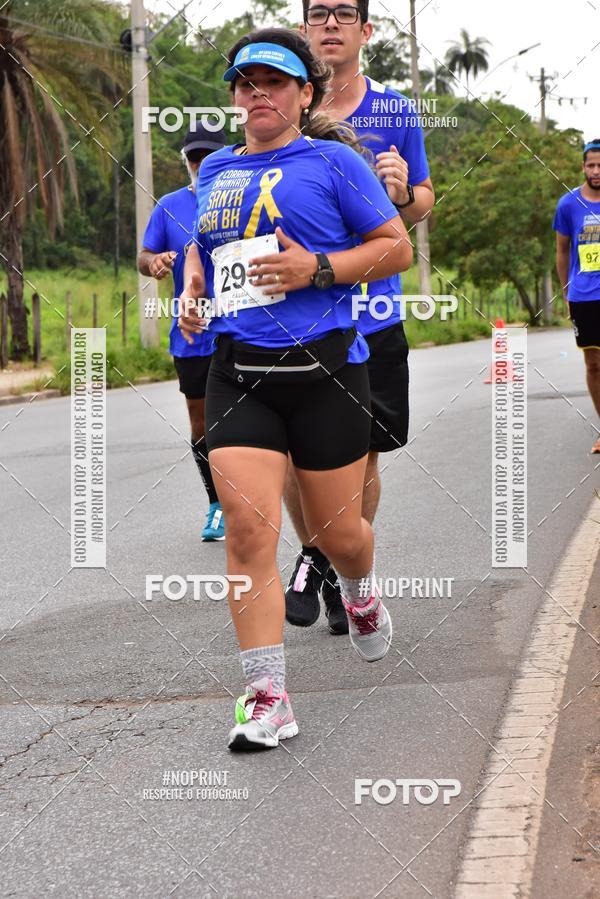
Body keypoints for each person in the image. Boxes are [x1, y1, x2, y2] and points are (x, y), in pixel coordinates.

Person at [180, 28, 413, 750]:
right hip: (239, 371)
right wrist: (194, 286)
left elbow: (393, 245)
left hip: (327, 373)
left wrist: (317, 270)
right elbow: (205, 244)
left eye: (273, 82)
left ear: (303, 94)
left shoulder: (333, 161)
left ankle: (361, 591)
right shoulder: (215, 167)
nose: (256, 93)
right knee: (249, 531)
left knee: (339, 534)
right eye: (244, 83)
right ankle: (267, 695)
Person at [284, 0, 435, 634]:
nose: (330, 23)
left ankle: (335, 566)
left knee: (362, 458)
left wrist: (403, 197)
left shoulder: (395, 111)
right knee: (295, 458)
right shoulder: (280, 106)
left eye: (345, 13)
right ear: (303, 29)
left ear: (365, 30)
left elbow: (424, 198)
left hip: (372, 317)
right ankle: (325, 560)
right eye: (318, 12)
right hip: (294, 317)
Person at [138, 123, 228, 540]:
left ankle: (251, 500)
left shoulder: (242, 199)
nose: (200, 165)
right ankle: (217, 504)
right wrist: (153, 264)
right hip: (190, 333)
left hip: (242, 328)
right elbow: (145, 254)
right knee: (202, 426)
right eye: (194, 158)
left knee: (249, 419)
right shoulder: (170, 206)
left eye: (208, 157)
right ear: (186, 161)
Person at [554, 139, 600, 454]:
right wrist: (566, 292)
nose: (596, 171)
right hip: (584, 297)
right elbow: (561, 250)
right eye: (591, 165)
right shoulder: (568, 205)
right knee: (594, 363)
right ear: (583, 167)